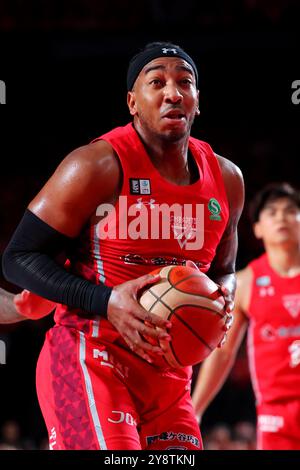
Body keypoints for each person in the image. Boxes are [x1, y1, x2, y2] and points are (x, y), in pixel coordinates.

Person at [2, 41, 244, 450]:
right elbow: (18, 258)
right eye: (157, 82)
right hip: (91, 356)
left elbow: (224, 268)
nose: (173, 92)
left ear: (198, 101)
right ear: (132, 102)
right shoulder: (96, 165)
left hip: (170, 378)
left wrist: (225, 298)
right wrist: (106, 298)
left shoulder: (227, 179)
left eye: (185, 83)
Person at [192, 182, 300, 450]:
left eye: (289, 211)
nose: (281, 217)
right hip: (275, 413)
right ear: (258, 229)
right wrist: (195, 409)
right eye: (272, 212)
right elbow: (223, 352)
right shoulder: (246, 282)